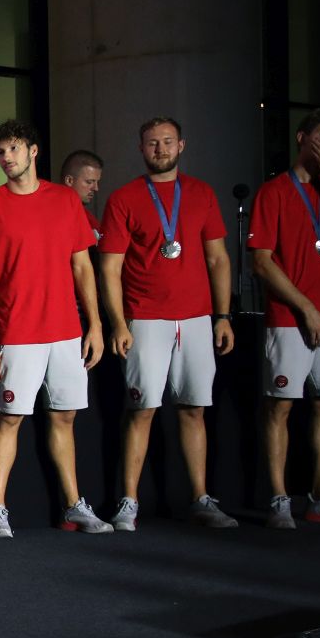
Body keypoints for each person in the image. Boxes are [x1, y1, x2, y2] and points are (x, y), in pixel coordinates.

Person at [0, 120, 109, 539]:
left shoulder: (65, 201)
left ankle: (73, 506)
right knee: (9, 419)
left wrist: (95, 325)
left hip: (65, 331)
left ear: (33, 151)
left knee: (64, 420)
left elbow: (83, 266)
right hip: (16, 334)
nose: (6, 158)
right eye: (0, 153)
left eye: (12, 149)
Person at [97, 118, 237, 530]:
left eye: (167, 142)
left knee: (194, 409)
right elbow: (109, 269)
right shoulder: (124, 198)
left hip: (196, 318)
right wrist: (119, 323)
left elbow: (218, 258)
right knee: (142, 409)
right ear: (141, 149)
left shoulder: (201, 193)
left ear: (182, 146)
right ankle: (128, 501)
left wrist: (223, 316)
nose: (160, 149)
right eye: (152, 143)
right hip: (146, 318)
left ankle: (201, 499)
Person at [249, 109, 320, 528]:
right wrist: (307, 308)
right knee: (280, 406)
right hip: (290, 317)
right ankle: (279, 497)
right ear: (303, 137)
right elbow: (262, 262)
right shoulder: (274, 191)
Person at [61, 149, 105, 241]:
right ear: (69, 181)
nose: (96, 188)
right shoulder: (50, 215)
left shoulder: (89, 220)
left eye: (97, 182)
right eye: (89, 182)